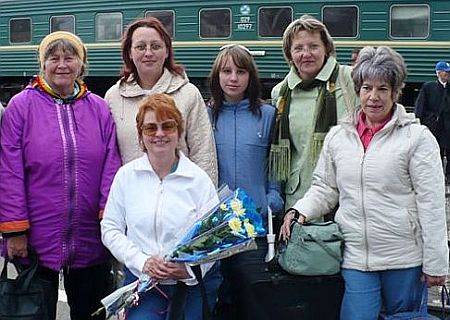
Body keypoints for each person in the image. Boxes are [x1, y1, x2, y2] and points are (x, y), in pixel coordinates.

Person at [280, 46, 449, 319]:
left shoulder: (417, 139)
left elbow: (430, 205)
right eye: (367, 87)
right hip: (356, 257)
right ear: (357, 90)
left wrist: (436, 263)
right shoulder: (338, 137)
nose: (373, 97)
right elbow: (325, 187)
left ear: (396, 92)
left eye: (383, 88)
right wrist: (300, 210)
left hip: (404, 258)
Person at [0, 31, 121, 320]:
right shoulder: (21, 106)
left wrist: (110, 221)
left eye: (70, 57)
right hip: (36, 238)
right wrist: (15, 230)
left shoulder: (99, 108)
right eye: (53, 58)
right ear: (43, 65)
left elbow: (111, 165)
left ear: (82, 64)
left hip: (91, 234)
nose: (62, 64)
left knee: (90, 312)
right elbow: (9, 170)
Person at [101, 93, 222, 320]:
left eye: (167, 126)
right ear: (141, 135)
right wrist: (142, 261)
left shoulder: (198, 180)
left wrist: (189, 271)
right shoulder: (126, 177)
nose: (159, 134)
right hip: (144, 284)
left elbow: (216, 239)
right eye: (150, 128)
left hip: (189, 286)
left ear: (179, 132)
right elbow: (110, 229)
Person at [207, 44, 284, 319]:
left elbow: (275, 161)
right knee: (220, 295)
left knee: (253, 296)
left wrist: (273, 194)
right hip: (219, 223)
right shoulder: (207, 116)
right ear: (217, 75)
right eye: (226, 71)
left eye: (240, 71)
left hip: (256, 222)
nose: (233, 78)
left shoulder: (267, 115)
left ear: (251, 76)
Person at [105, 17, 217, 184]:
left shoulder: (188, 94)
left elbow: (203, 153)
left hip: (180, 197)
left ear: (166, 51)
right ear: (129, 52)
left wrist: (206, 204)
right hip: (132, 197)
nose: (148, 53)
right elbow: (109, 157)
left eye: (156, 46)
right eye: (140, 47)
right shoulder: (114, 97)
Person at [271, 15, 358, 209]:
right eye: (298, 48)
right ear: (289, 53)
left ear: (326, 48)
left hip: (345, 197)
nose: (306, 53)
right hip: (299, 198)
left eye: (313, 46)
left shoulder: (350, 80)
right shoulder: (281, 93)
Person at [415, 60, 450, 181]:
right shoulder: (429, 87)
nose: (447, 75)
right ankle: (438, 175)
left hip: (447, 124)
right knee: (437, 150)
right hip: (435, 124)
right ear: (438, 73)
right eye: (445, 73)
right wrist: (420, 120)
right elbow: (421, 105)